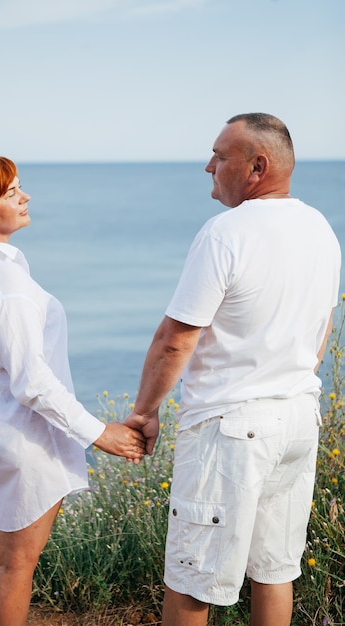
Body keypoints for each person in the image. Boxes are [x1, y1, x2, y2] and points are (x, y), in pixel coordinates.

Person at [124, 113, 341, 626]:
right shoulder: (320, 227)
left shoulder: (226, 232)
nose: (208, 166)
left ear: (256, 166)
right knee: (274, 570)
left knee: (192, 576)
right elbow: (321, 336)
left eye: (220, 156)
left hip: (231, 426)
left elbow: (176, 339)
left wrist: (144, 413)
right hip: (296, 420)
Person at [0, 156, 146, 626]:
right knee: (14, 564)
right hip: (24, 446)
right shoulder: (5, 284)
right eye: (10, 193)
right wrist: (97, 433)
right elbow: (32, 382)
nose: (25, 197)